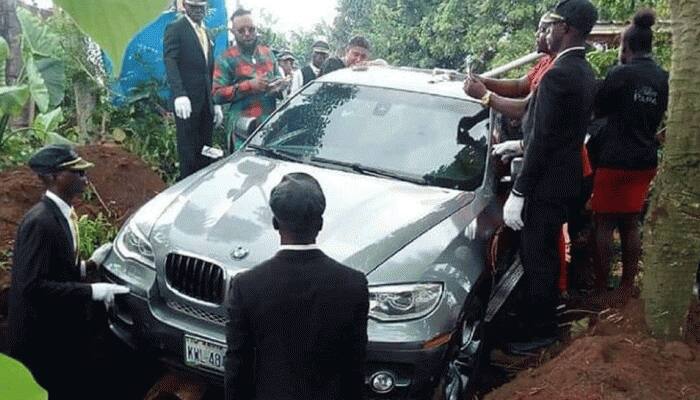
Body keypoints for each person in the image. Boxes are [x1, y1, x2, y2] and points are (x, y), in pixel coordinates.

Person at [497, 0, 598, 350]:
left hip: (547, 182)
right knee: (544, 255)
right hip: (563, 178)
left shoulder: (558, 74)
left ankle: (540, 333)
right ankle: (538, 322)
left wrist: (520, 191)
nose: (544, 33)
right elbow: (551, 131)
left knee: (537, 257)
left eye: (549, 26)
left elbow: (542, 140)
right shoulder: (583, 70)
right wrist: (517, 144)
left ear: (565, 28)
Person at [224, 172, 369, 400]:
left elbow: (237, 368)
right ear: (320, 224)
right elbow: (355, 369)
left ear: (275, 223)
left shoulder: (247, 286)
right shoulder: (353, 285)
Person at [7, 145, 130, 399]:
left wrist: (90, 265)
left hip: (59, 332)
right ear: (53, 177)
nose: (84, 178)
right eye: (77, 172)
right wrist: (93, 291)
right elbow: (33, 287)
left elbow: (55, 270)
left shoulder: (61, 215)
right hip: (41, 340)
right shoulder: (40, 223)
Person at [590, 9, 669, 298]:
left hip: (614, 158)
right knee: (630, 220)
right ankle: (627, 286)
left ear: (627, 47)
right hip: (645, 158)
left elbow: (599, 109)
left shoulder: (620, 73)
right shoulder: (663, 77)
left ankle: (600, 287)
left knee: (604, 221)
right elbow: (658, 115)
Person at [164, 0, 223, 180]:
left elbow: (209, 69)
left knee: (206, 149)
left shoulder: (207, 32)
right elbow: (171, 60)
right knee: (188, 151)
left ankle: (203, 187)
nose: (198, 10)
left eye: (201, 7)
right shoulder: (176, 28)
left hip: (206, 101)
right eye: (194, 6)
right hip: (187, 102)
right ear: (185, 6)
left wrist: (216, 101)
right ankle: (188, 194)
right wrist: (179, 94)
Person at [212, 8, 284, 151]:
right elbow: (217, 95)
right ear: (233, 32)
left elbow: (277, 80)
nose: (247, 34)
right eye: (241, 30)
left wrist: (279, 87)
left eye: (251, 29)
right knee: (243, 171)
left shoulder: (268, 53)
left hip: (269, 127)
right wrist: (249, 86)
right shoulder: (226, 58)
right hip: (242, 131)